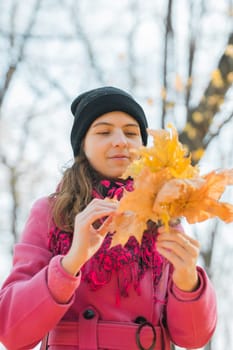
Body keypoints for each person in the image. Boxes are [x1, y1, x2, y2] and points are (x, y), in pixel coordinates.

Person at [0, 86, 217, 350]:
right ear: (82, 145)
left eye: (131, 132)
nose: (120, 141)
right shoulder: (51, 212)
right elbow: (12, 332)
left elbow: (193, 338)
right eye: (103, 131)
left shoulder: (165, 214)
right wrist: (70, 263)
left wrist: (187, 281)